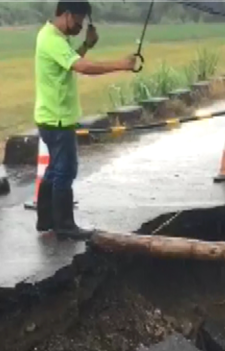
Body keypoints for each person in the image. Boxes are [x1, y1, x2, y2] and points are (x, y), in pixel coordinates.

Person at [33, 1, 137, 239]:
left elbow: (68, 62)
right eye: (78, 22)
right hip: (57, 119)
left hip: (51, 116)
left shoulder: (53, 36)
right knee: (66, 170)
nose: (79, 27)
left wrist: (87, 45)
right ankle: (64, 225)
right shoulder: (53, 39)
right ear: (67, 15)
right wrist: (120, 65)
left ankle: (46, 220)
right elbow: (82, 67)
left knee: (54, 169)